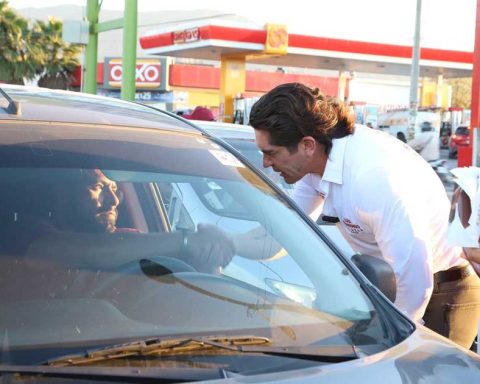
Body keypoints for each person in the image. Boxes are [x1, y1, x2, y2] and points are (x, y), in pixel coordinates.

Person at [248, 82, 480, 349]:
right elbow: (282, 230)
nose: (266, 163)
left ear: (307, 145)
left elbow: (415, 280)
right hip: (389, 287)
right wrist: (226, 245)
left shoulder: (373, 177)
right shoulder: (318, 163)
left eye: (270, 153)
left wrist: (394, 343)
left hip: (442, 291)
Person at [24, 169, 236, 273]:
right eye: (97, 187)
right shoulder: (27, 232)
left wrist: (207, 256)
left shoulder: (134, 239)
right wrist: (187, 241)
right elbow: (84, 252)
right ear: (62, 193)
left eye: (115, 188)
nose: (114, 200)